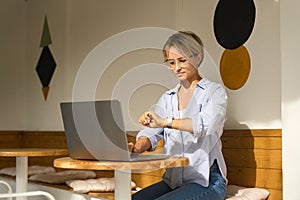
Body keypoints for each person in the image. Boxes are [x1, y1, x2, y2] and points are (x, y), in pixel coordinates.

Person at [129, 31, 228, 200]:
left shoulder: (214, 92)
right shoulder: (168, 98)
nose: (177, 68)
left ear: (198, 57)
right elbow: (151, 133)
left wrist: (165, 122)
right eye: (172, 62)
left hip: (207, 181)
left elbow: (205, 124)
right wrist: (136, 148)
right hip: (173, 181)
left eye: (182, 60)